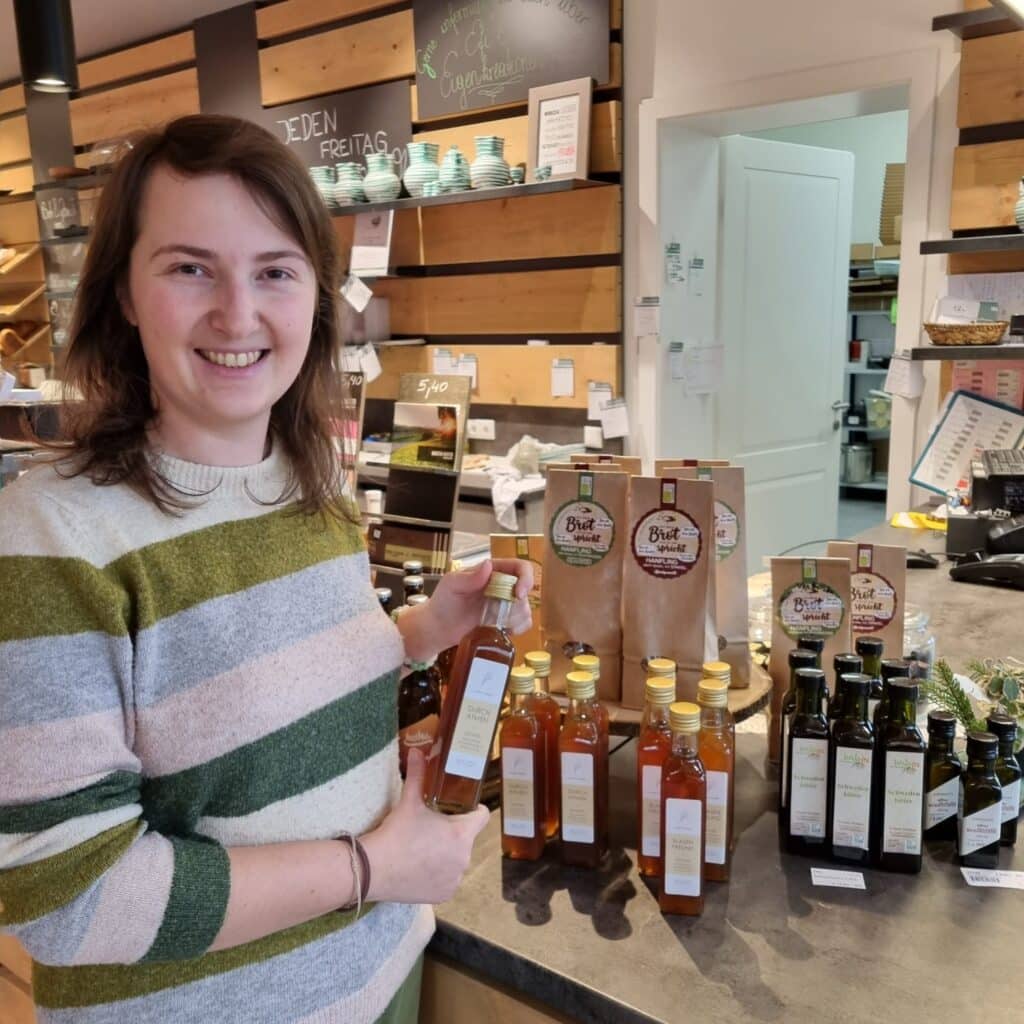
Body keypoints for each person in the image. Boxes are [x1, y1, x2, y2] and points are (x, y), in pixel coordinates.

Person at [0, 115, 533, 1024]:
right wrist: (376, 867)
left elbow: (273, 680)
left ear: (315, 298)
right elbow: (66, 897)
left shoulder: (309, 475)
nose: (238, 315)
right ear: (124, 293)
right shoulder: (51, 537)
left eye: (275, 271)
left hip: (379, 973)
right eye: (189, 267)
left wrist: (420, 635)